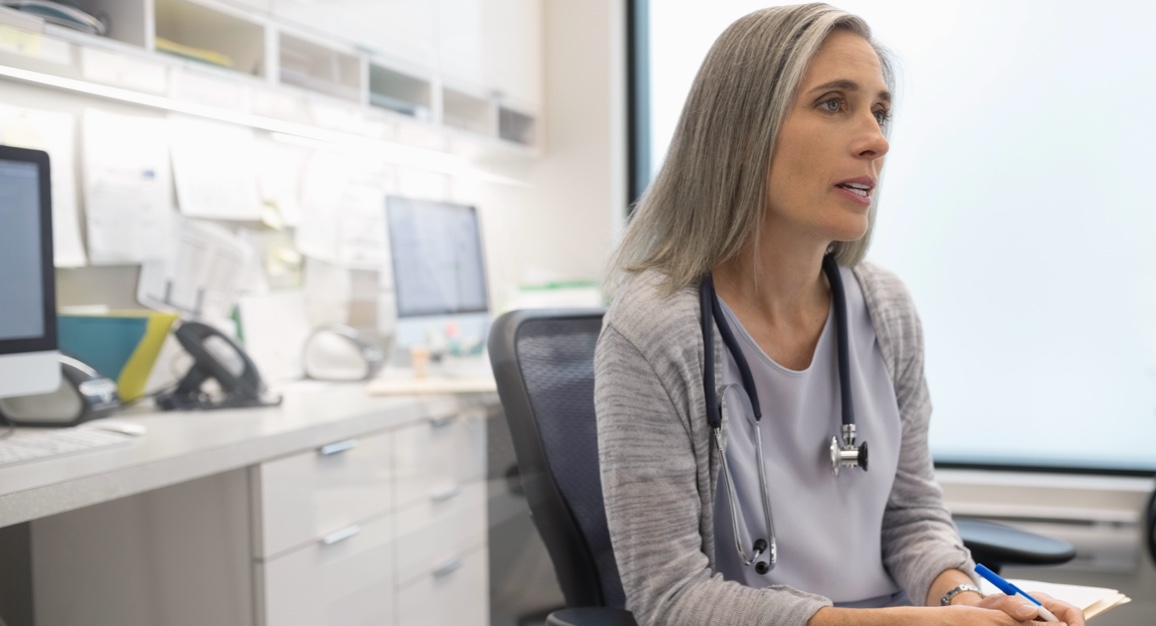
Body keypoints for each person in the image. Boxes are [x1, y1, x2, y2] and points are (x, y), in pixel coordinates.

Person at [593, 4, 1086, 626]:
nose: (878, 139)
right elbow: (671, 599)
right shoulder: (655, 330)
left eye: (880, 111)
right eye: (834, 103)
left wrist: (966, 599)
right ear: (741, 136)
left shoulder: (885, 311)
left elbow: (909, 518)